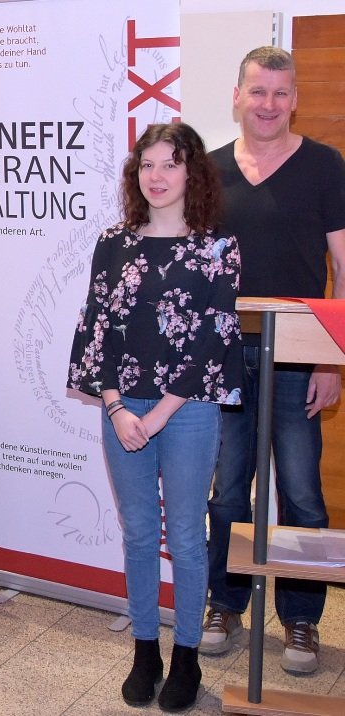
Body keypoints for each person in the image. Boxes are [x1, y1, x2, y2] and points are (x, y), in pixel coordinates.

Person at [68, 123, 241, 712]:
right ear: (134, 174)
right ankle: (147, 651)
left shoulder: (218, 244)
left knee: (187, 538)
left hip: (188, 410)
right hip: (124, 410)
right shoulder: (114, 243)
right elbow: (99, 328)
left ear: (191, 171)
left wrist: (164, 411)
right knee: (140, 534)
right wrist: (115, 405)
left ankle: (187, 658)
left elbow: (215, 338)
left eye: (170, 164)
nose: (158, 176)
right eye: (147, 165)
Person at [203, 46, 345, 676]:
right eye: (257, 92)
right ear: (237, 96)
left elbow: (342, 268)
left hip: (298, 357)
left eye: (281, 94)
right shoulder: (205, 171)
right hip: (226, 360)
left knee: (303, 494)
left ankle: (301, 619)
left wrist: (330, 362)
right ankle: (224, 604)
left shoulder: (324, 166)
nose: (268, 105)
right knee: (228, 490)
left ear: (295, 100)